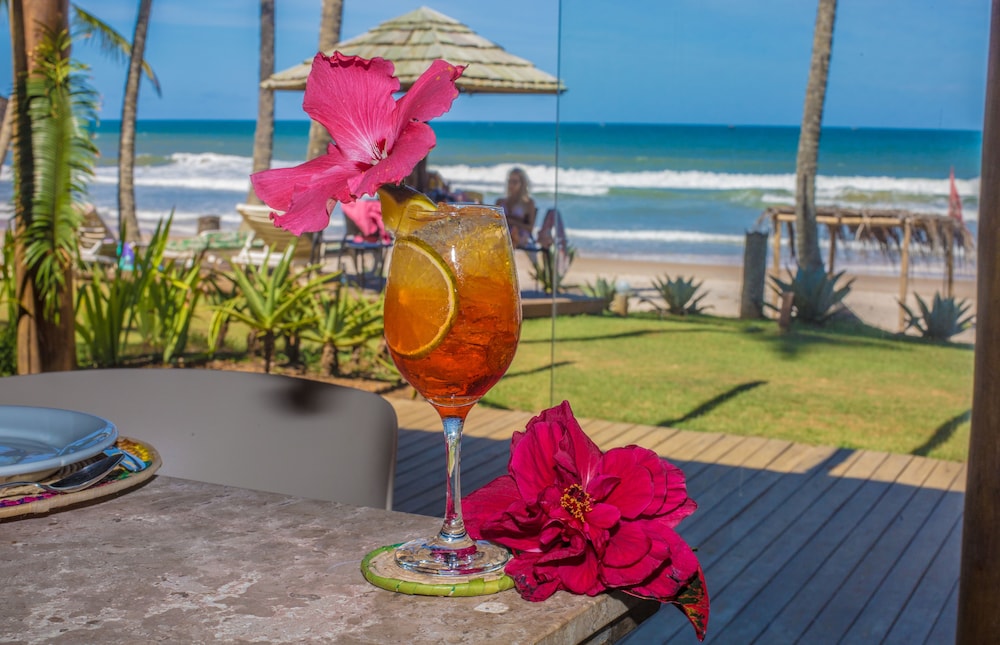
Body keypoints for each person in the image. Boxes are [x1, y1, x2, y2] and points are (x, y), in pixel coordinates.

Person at [496, 167, 538, 249]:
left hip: (521, 238)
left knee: (514, 233)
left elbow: (530, 228)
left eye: (515, 182)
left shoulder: (528, 203)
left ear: (522, 184)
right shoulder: (500, 201)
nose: (511, 185)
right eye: (510, 181)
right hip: (503, 236)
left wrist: (512, 222)